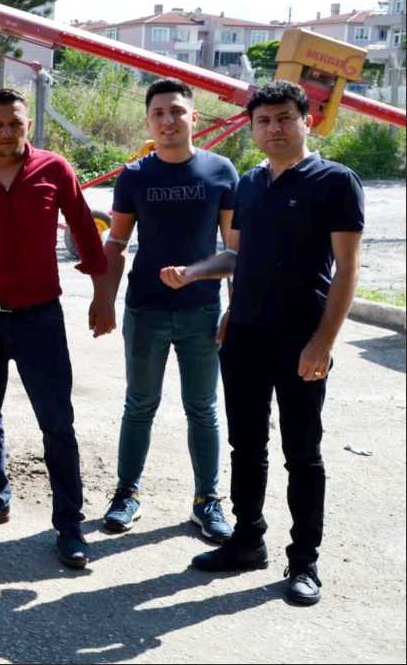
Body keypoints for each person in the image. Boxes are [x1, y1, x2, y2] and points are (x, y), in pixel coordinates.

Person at [163, 80, 363, 607]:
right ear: (251, 130)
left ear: (307, 121)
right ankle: (247, 542)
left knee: (303, 453)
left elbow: (346, 273)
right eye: (264, 121)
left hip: (301, 338)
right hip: (245, 336)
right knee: (245, 446)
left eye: (284, 118)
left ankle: (304, 562)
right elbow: (238, 258)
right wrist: (197, 274)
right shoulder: (250, 184)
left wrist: (322, 343)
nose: (274, 128)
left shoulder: (335, 182)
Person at [0, 88, 108, 569]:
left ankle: (70, 526)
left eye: (15, 123)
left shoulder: (55, 169)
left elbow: (86, 233)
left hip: (39, 317)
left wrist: (103, 296)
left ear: (28, 124)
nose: (7, 132)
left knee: (57, 421)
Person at [89, 79, 237, 542]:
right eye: (159, 113)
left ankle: (207, 501)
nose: (168, 120)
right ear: (148, 120)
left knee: (203, 408)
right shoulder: (134, 176)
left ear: (194, 117)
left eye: (177, 111)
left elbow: (235, 252)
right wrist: (104, 300)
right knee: (140, 405)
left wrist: (216, 292)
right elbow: (116, 242)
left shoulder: (221, 172)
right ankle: (127, 493)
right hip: (146, 311)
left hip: (201, 312)